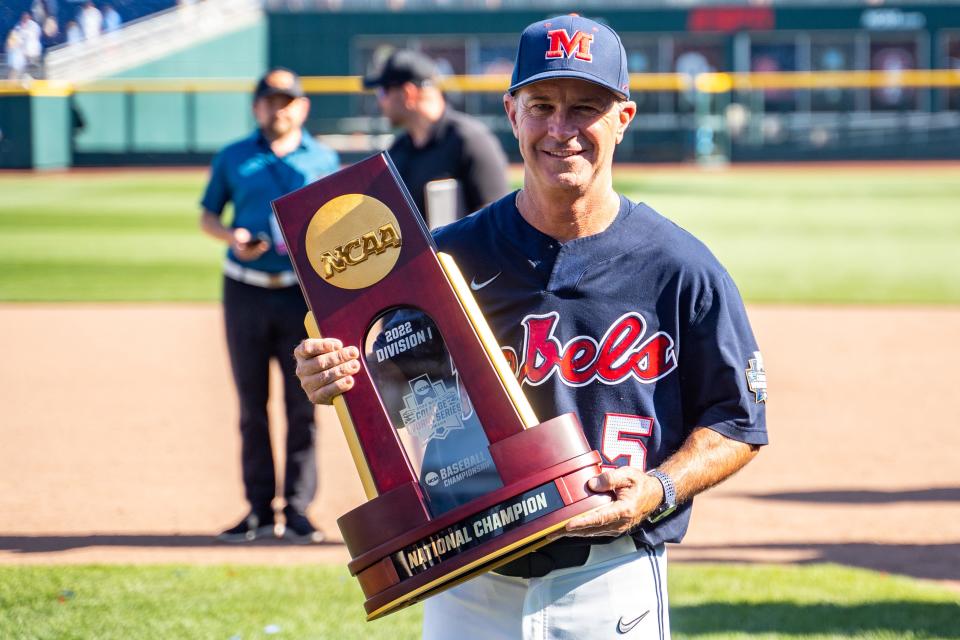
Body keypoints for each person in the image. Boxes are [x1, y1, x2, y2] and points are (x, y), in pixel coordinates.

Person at [295, 14, 767, 639]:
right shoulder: (443, 263)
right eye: (541, 104)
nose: (561, 129)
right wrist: (338, 373)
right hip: (468, 575)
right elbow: (397, 387)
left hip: (613, 575)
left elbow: (737, 423)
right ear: (512, 113)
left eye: (586, 107)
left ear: (622, 118)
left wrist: (658, 488)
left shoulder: (680, 268)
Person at [200, 68, 340, 544]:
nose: (278, 109)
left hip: (300, 294)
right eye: (269, 101)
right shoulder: (234, 157)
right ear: (256, 107)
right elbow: (207, 216)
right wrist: (232, 236)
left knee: (303, 403)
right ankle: (258, 511)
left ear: (301, 107)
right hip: (245, 288)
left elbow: (336, 220)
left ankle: (298, 510)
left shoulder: (323, 158)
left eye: (287, 101)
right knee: (250, 403)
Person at [363, 49, 509, 227]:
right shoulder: (398, 150)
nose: (380, 102)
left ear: (408, 93)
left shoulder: (470, 139)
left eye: (383, 92)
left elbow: (499, 222)